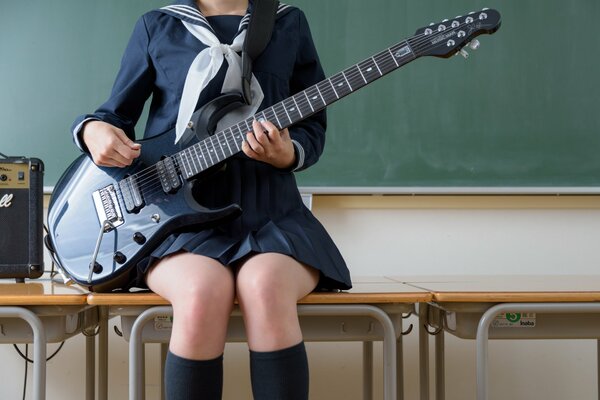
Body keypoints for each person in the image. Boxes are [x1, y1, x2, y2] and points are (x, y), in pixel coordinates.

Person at [71, 0, 351, 398]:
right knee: (203, 290)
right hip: (174, 221)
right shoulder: (158, 25)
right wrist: (94, 131)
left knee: (264, 284)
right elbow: (113, 117)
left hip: (271, 214)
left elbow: (312, 129)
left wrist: (287, 153)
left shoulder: (288, 22)